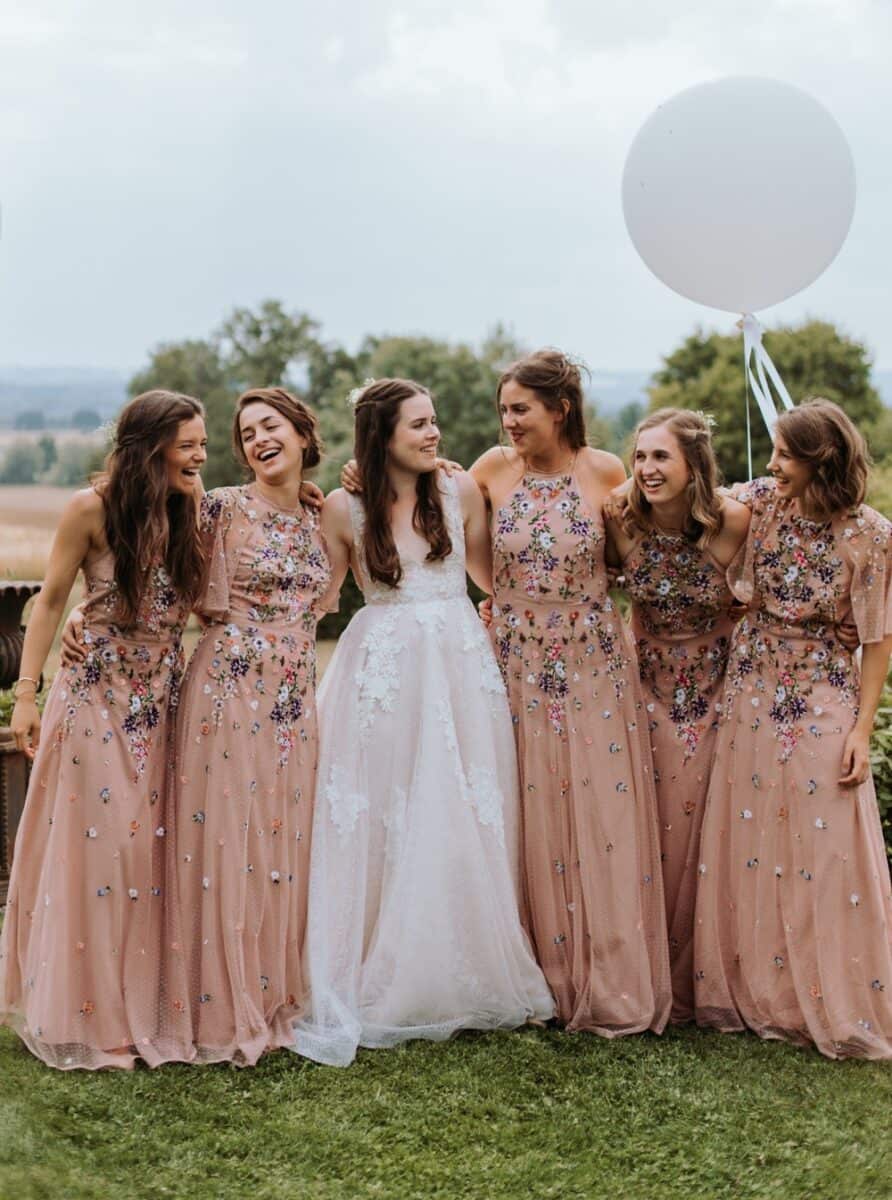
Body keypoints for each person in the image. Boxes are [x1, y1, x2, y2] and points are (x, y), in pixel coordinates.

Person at [292, 377, 553, 1067]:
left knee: (465, 802)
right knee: (382, 809)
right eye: (418, 425)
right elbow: (313, 597)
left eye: (434, 421)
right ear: (382, 435)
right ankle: (381, 963)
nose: (434, 434)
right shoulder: (344, 506)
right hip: (380, 668)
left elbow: (498, 576)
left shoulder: (459, 492)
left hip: (459, 663)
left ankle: (468, 961)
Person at [0, 390, 207, 1069]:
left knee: (145, 859)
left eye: (204, 444)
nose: (201, 455)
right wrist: (26, 696)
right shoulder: (89, 511)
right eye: (189, 444)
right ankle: (83, 1015)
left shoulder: (194, 510)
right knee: (99, 855)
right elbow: (51, 602)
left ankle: (133, 1005)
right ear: (151, 447)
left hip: (162, 705)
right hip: (92, 702)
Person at [471, 349, 671, 1034]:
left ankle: (603, 971)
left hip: (592, 659)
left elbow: (627, 560)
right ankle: (533, 974)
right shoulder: (491, 470)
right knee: (524, 798)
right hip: (516, 658)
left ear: (560, 409)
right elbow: (453, 528)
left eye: (520, 409)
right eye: (505, 410)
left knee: (597, 806)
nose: (509, 422)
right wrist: (500, 594)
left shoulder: (608, 470)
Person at [694, 398, 892, 1059]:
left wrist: (862, 730)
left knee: (825, 841)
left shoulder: (871, 534)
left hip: (823, 689)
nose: (772, 463)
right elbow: (696, 501)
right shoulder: (764, 501)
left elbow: (877, 640)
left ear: (823, 459)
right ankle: (764, 993)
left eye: (785, 453)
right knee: (754, 833)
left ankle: (836, 992)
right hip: (752, 683)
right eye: (774, 451)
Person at [166, 387, 331, 1065]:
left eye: (271, 427)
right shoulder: (220, 509)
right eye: (247, 434)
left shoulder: (326, 513)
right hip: (228, 686)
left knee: (280, 838)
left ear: (299, 434)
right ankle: (219, 1003)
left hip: (294, 695)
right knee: (229, 839)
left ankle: (271, 993)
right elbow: (153, 562)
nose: (259, 439)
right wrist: (95, 619)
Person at [603, 409, 750, 1022]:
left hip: (719, 688)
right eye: (640, 456)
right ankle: (647, 964)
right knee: (655, 823)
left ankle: (711, 969)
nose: (646, 469)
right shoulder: (619, 516)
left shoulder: (735, 519)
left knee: (705, 829)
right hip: (647, 686)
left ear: (695, 464)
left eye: (661, 457)